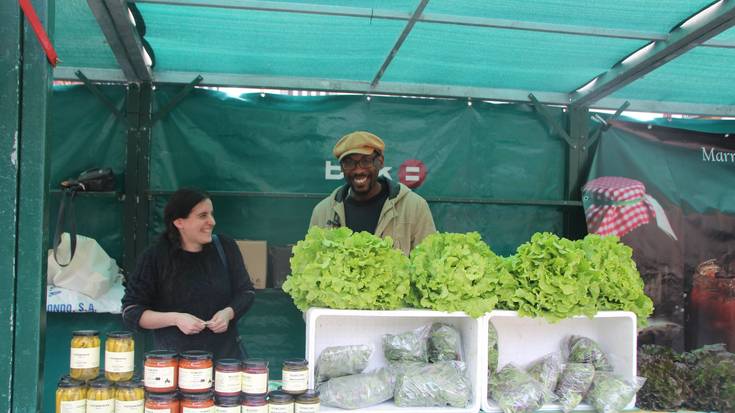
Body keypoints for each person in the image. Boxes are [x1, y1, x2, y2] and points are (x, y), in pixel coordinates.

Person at [122, 188, 255, 359]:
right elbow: (131, 311)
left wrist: (228, 313)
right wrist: (176, 319)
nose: (212, 221)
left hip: (226, 363)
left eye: (211, 214)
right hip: (173, 364)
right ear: (179, 222)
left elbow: (246, 292)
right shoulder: (154, 257)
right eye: (203, 216)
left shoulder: (225, 247)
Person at [310, 131, 436, 255]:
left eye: (366, 161)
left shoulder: (414, 207)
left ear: (380, 162)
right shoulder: (322, 212)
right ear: (342, 168)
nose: (358, 170)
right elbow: (311, 267)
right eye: (349, 163)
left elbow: (428, 262)